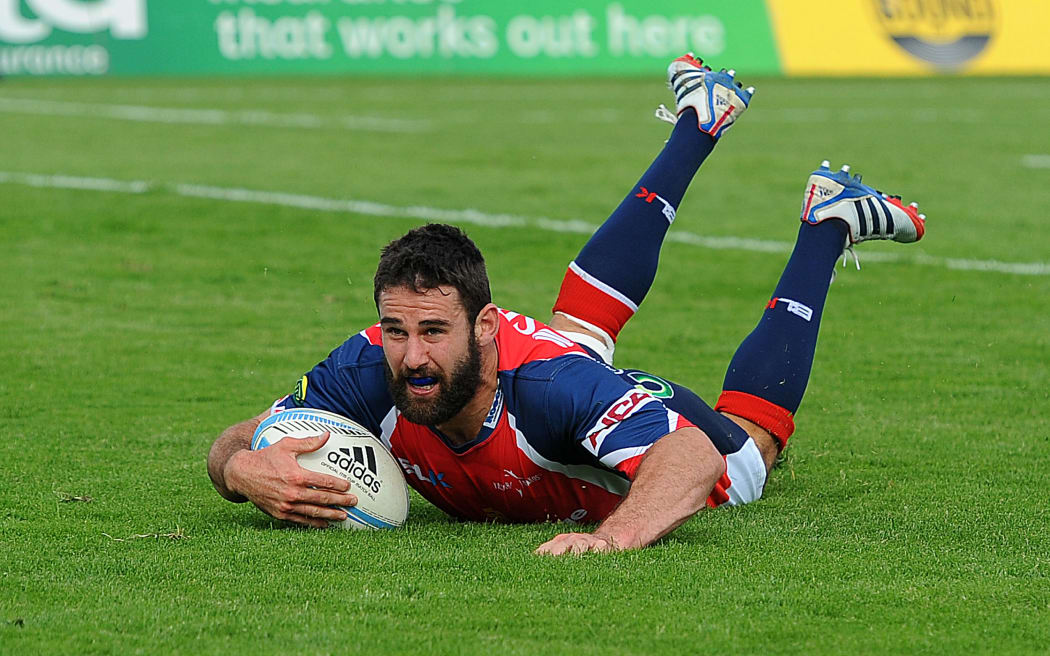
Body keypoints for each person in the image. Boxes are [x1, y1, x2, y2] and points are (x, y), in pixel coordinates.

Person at [207, 54, 926, 555]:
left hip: (672, 435)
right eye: (397, 329)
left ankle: (827, 225)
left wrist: (612, 538)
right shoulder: (373, 365)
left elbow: (691, 457)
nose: (412, 354)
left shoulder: (546, 387)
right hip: (564, 382)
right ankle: (699, 122)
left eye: (432, 331)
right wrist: (242, 470)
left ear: (483, 327)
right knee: (573, 335)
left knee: (749, 449)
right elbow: (244, 436)